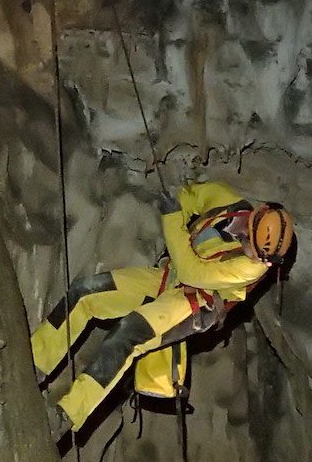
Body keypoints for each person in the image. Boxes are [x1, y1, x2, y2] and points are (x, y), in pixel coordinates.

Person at [33, 181, 294, 439]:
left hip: (192, 304)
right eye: (257, 251)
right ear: (252, 220)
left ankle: (65, 416)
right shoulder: (229, 204)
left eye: (264, 258)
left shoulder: (252, 269)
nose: (258, 260)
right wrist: (177, 206)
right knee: (85, 291)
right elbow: (190, 197)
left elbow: (194, 272)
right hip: (167, 277)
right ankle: (35, 363)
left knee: (127, 334)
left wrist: (172, 219)